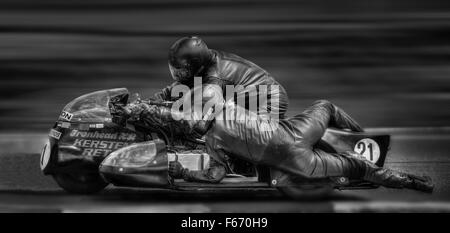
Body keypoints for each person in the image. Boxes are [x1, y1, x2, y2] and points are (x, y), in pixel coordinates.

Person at [125, 84, 433, 193]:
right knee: (326, 107)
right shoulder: (214, 99)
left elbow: (215, 175)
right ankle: (361, 138)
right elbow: (206, 94)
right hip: (294, 132)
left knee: (360, 169)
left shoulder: (211, 144)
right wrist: (168, 104)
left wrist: (182, 173)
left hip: (298, 161)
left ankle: (413, 182)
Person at [154, 36, 289, 119]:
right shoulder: (202, 63)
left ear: (197, 66)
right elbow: (173, 90)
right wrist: (148, 103)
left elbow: (199, 111)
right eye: (175, 71)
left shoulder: (214, 77)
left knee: (243, 134)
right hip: (244, 97)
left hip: (270, 99)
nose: (178, 76)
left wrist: (164, 113)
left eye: (182, 72)